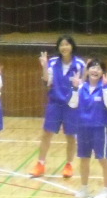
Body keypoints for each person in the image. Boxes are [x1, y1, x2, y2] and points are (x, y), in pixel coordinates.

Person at [30, 35, 86, 178]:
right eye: (61, 45)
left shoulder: (80, 64)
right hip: (55, 103)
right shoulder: (53, 62)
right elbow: (47, 81)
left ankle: (69, 165)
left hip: (72, 106)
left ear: (72, 46)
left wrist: (78, 86)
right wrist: (44, 66)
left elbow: (84, 86)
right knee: (46, 134)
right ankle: (40, 164)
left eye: (67, 44)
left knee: (71, 136)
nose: (64, 47)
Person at [69, 57, 107, 198]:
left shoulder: (106, 88)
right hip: (83, 129)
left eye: (98, 68)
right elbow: (72, 104)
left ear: (103, 72)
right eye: (92, 67)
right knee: (84, 159)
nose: (95, 70)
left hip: (99, 129)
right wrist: (74, 88)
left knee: (103, 159)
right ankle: (84, 188)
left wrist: (106, 89)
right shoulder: (80, 87)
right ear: (87, 71)